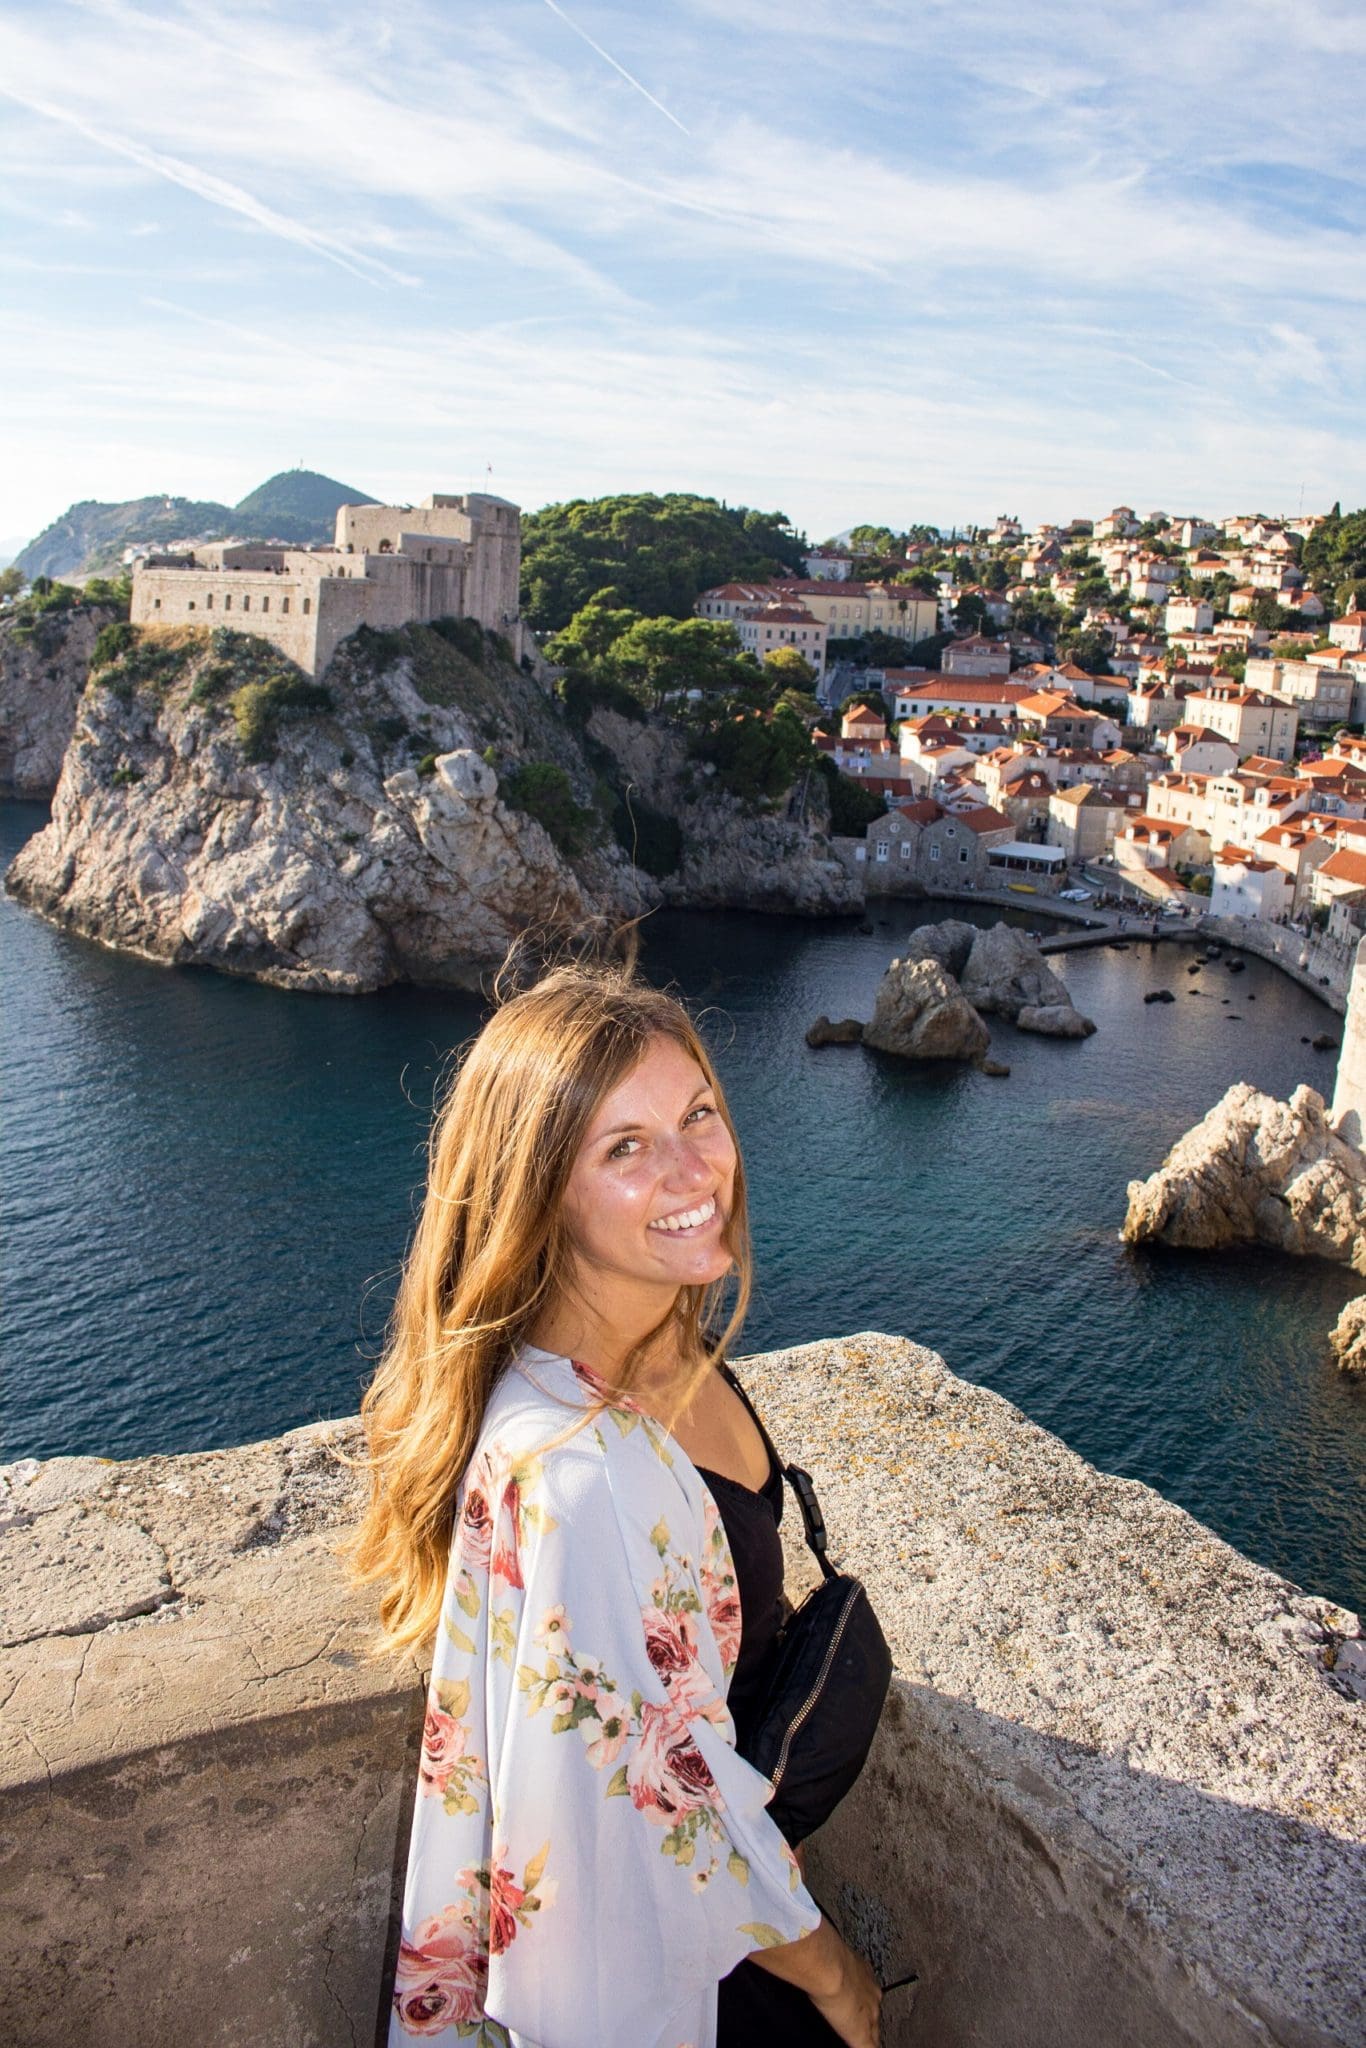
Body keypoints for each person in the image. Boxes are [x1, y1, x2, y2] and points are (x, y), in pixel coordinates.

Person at [351, 958, 883, 2048]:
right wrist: (837, 1981)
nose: (696, 1169)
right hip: (700, 1983)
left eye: (697, 1114)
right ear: (538, 1189)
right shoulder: (579, 1478)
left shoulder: (665, 1344)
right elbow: (664, 1811)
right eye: (624, 1147)